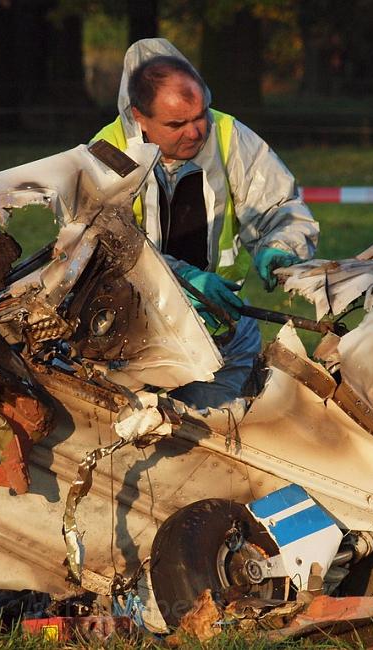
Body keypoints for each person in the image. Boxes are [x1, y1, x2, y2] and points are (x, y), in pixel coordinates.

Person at [93, 38, 319, 409]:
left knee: (224, 446)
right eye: (177, 123)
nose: (196, 131)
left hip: (221, 335)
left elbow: (281, 206)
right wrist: (183, 282)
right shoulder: (107, 154)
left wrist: (282, 244)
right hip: (132, 343)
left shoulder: (230, 136)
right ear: (139, 117)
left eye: (201, 115)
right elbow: (105, 248)